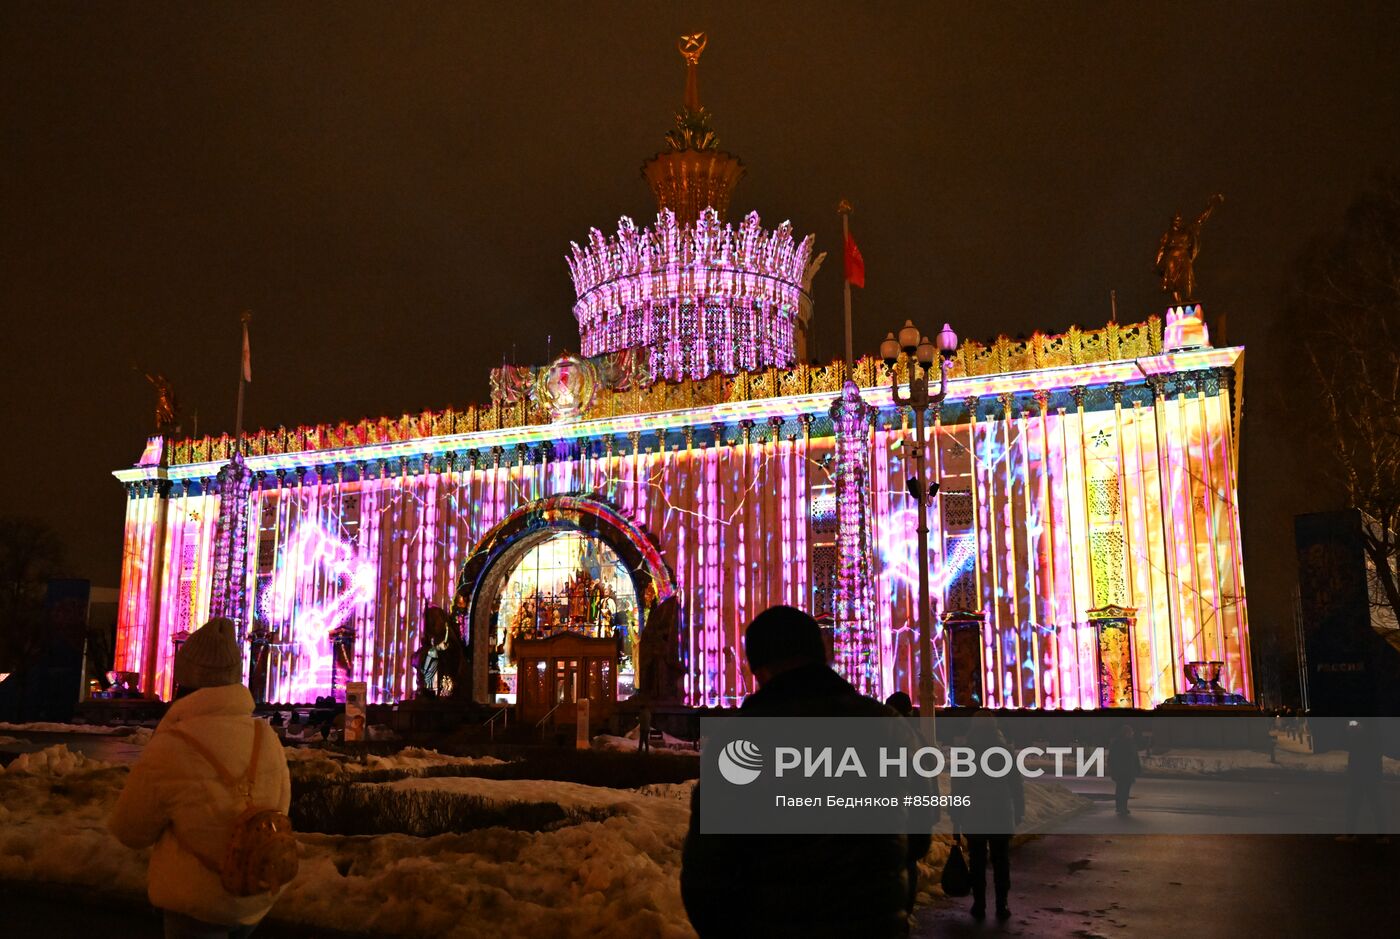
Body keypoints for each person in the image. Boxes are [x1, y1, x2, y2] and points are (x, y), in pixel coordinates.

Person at [681, 605, 926, 938]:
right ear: (820, 653)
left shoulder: (739, 741)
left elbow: (707, 876)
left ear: (759, 668)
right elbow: (919, 834)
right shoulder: (888, 727)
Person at [109, 618, 292, 939]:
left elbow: (130, 829)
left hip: (195, 902)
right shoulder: (266, 737)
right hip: (256, 893)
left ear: (185, 680)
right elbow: (280, 809)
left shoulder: (173, 745)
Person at [951, 712, 1024, 922]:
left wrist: (956, 813)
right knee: (1001, 861)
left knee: (977, 860)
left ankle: (979, 904)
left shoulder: (967, 752)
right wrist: (1018, 810)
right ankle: (1002, 904)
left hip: (975, 814)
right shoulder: (1004, 751)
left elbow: (959, 788)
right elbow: (1015, 785)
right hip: (1000, 813)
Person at [1340, 719, 1390, 842]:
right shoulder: (1368, 732)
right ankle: (1353, 834)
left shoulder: (1371, 733)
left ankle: (1381, 835)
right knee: (1358, 804)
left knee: (1370, 804)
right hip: (1364, 773)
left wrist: (1356, 733)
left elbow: (1369, 752)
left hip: (1367, 773)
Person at [1108, 724, 1142, 816]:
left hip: (1126, 770)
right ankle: (1121, 807)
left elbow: (1135, 758)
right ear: (1126, 733)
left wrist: (1137, 768)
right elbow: (1112, 758)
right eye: (1131, 732)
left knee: (1124, 789)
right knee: (1122, 789)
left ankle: (1122, 807)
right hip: (1123, 770)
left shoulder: (1127, 743)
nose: (1132, 734)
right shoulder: (1121, 743)